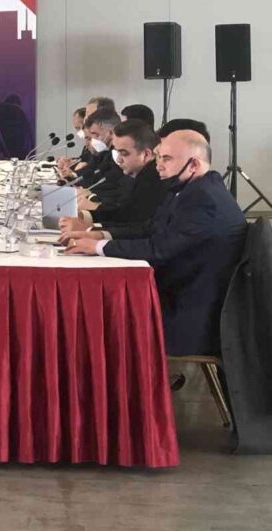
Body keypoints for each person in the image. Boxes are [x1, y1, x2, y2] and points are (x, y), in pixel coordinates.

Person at [64, 130, 247, 356]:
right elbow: (150, 228)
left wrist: (98, 248)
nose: (158, 165)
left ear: (194, 164)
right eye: (159, 157)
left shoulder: (204, 201)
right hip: (176, 290)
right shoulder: (189, 189)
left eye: (166, 159)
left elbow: (159, 249)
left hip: (189, 317)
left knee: (94, 310)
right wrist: (101, 235)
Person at [59, 120, 164, 234]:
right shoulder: (138, 174)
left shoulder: (152, 180)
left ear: (146, 155)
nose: (119, 159)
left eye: (124, 154)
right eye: (118, 152)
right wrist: (84, 216)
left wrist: (91, 229)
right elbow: (122, 213)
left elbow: (137, 227)